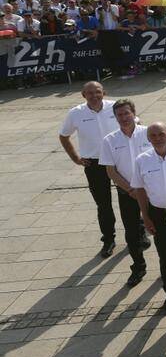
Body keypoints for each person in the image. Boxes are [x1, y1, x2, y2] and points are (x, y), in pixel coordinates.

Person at [58, 82, 121, 257]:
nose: (94, 96)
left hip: (119, 161)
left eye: (98, 92)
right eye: (90, 93)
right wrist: (75, 158)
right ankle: (108, 239)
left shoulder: (116, 107)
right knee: (103, 204)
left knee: (129, 199)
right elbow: (64, 136)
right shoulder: (76, 113)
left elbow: (136, 125)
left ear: (104, 92)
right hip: (94, 164)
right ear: (83, 95)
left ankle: (138, 232)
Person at [131, 123, 166, 311]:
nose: (157, 138)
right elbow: (139, 189)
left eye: (161, 134)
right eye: (153, 135)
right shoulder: (142, 160)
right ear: (148, 139)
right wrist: (145, 217)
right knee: (165, 254)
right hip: (159, 213)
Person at [99, 99, 151, 285]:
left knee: (161, 231)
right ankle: (138, 267)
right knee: (131, 233)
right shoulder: (110, 140)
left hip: (152, 192)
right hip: (127, 193)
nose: (123, 118)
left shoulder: (148, 133)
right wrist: (130, 189)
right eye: (119, 115)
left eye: (126, 113)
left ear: (134, 113)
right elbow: (111, 171)